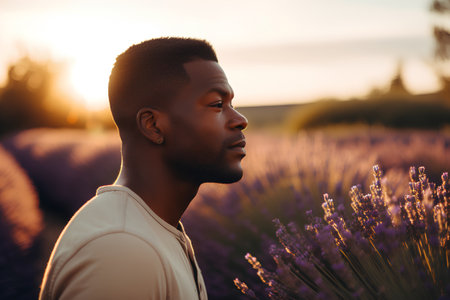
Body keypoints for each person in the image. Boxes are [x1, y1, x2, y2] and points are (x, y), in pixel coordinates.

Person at [39, 37, 248, 300]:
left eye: (232, 104)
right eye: (217, 104)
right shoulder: (120, 250)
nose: (240, 120)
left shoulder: (153, 231)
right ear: (153, 126)